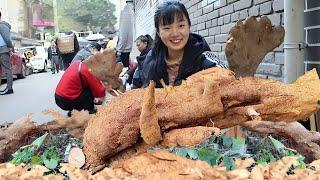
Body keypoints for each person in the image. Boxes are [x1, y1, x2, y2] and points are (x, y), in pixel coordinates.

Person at [140, 1, 227, 88]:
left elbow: (225, 75)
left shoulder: (203, 56)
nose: (175, 34)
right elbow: (136, 91)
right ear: (158, 32)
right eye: (167, 28)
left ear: (189, 26)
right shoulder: (149, 60)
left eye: (181, 26)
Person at [115, 0, 134, 68]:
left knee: (123, 69)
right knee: (125, 68)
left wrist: (119, 50)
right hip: (126, 49)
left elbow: (123, 35)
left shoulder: (125, 12)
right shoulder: (129, 11)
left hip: (123, 50)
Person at [0, 11, 14, 95]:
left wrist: (10, 47)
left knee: (7, 69)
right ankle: (8, 88)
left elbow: (7, 38)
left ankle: (9, 88)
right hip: (2, 50)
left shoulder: (2, 26)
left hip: (3, 49)